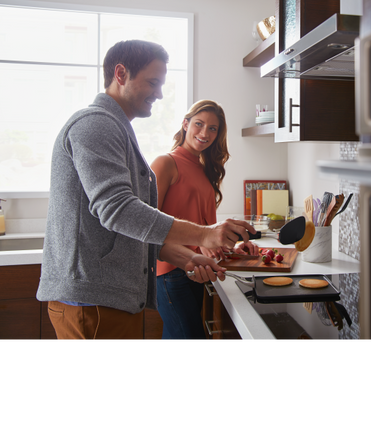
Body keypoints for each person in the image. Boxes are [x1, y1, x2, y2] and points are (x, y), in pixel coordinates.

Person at [36, 40, 255, 342]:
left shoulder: (116, 128)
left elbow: (126, 229)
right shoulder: (96, 124)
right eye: (153, 82)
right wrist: (204, 235)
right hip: (92, 300)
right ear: (121, 73)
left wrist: (184, 258)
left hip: (107, 298)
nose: (160, 93)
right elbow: (118, 210)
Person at [151, 100, 254, 342]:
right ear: (185, 124)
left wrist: (235, 247)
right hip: (170, 271)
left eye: (213, 128)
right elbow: (148, 224)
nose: (204, 133)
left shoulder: (203, 167)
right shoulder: (166, 163)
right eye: (199, 124)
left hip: (197, 270)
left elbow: (204, 229)